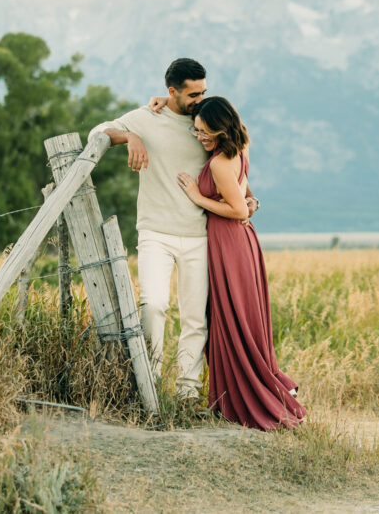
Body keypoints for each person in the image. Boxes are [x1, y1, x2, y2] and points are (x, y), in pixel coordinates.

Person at [89, 59, 257, 402]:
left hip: (200, 234)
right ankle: (148, 382)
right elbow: (97, 133)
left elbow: (233, 158)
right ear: (171, 92)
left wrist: (250, 199)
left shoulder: (206, 121)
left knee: (196, 317)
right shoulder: (146, 117)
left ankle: (187, 393)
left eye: (203, 91)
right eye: (193, 93)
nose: (200, 98)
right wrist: (131, 136)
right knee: (153, 305)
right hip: (155, 233)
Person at [176, 96, 306, 430]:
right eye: (196, 131)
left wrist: (197, 197)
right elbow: (244, 198)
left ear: (220, 128)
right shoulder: (240, 149)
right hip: (239, 243)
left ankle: (247, 397)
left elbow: (236, 210)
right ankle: (243, 392)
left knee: (232, 319)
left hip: (229, 243)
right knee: (233, 318)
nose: (199, 137)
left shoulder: (220, 162)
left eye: (204, 131)